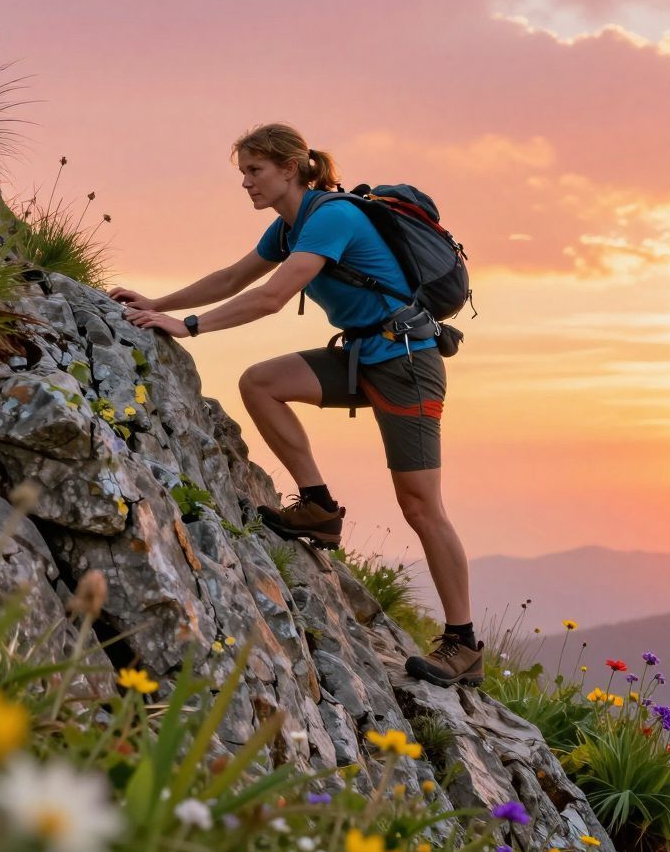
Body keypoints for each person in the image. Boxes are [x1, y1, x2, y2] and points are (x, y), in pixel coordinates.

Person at [110, 122, 482, 687]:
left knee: (420, 505)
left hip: (407, 364)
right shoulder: (289, 227)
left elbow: (270, 296)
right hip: (363, 354)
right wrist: (157, 303)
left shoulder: (332, 216)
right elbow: (235, 276)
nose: (246, 184)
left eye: (254, 172)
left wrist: (187, 327)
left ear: (290, 168)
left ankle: (463, 644)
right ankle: (317, 507)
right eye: (243, 174)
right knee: (261, 382)